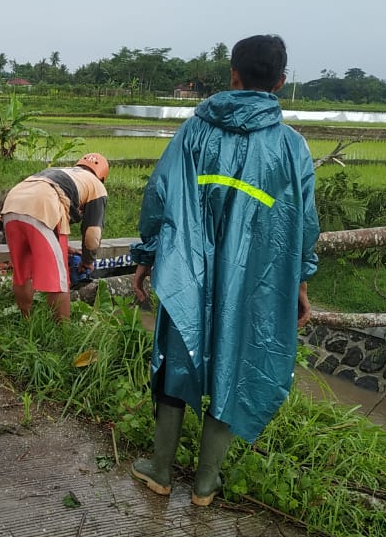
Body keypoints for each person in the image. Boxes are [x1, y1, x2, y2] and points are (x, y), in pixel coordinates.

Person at [129, 34, 319, 505]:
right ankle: (206, 481)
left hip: (187, 269)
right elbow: (303, 222)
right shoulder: (292, 147)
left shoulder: (195, 131)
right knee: (237, 362)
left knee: (177, 359)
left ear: (233, 74)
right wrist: (300, 280)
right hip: (255, 279)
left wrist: (148, 255)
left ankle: (160, 469)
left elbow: (160, 192)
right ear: (279, 81)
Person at [0, 153, 109, 320]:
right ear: (102, 177)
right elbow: (92, 235)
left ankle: (26, 323)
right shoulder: (97, 185)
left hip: (12, 203)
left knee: (21, 273)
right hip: (44, 205)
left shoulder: (60, 171)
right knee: (59, 280)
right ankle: (63, 334)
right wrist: (87, 261)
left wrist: (64, 248)